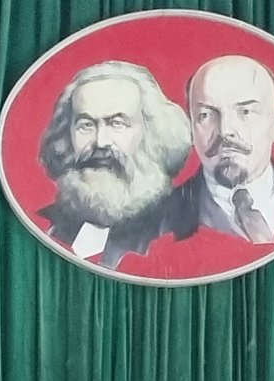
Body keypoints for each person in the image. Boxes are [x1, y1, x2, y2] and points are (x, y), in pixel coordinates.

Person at [34, 60, 191, 269]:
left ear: (153, 133)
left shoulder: (180, 229)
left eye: (117, 123)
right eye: (86, 125)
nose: (101, 141)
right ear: (66, 135)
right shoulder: (46, 226)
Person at [167, 55, 274, 245]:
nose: (225, 130)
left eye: (245, 112)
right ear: (191, 129)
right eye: (205, 115)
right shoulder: (162, 220)